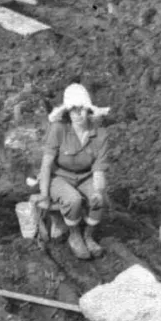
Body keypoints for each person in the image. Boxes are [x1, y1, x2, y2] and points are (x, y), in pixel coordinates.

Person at [37, 83, 110, 259]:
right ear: (67, 113)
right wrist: (44, 195)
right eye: (73, 110)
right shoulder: (59, 129)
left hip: (86, 175)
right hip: (60, 176)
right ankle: (75, 234)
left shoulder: (100, 134)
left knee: (100, 199)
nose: (77, 114)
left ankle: (88, 236)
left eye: (81, 109)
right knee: (73, 199)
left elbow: (99, 170)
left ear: (89, 111)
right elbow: (46, 164)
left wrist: (99, 191)